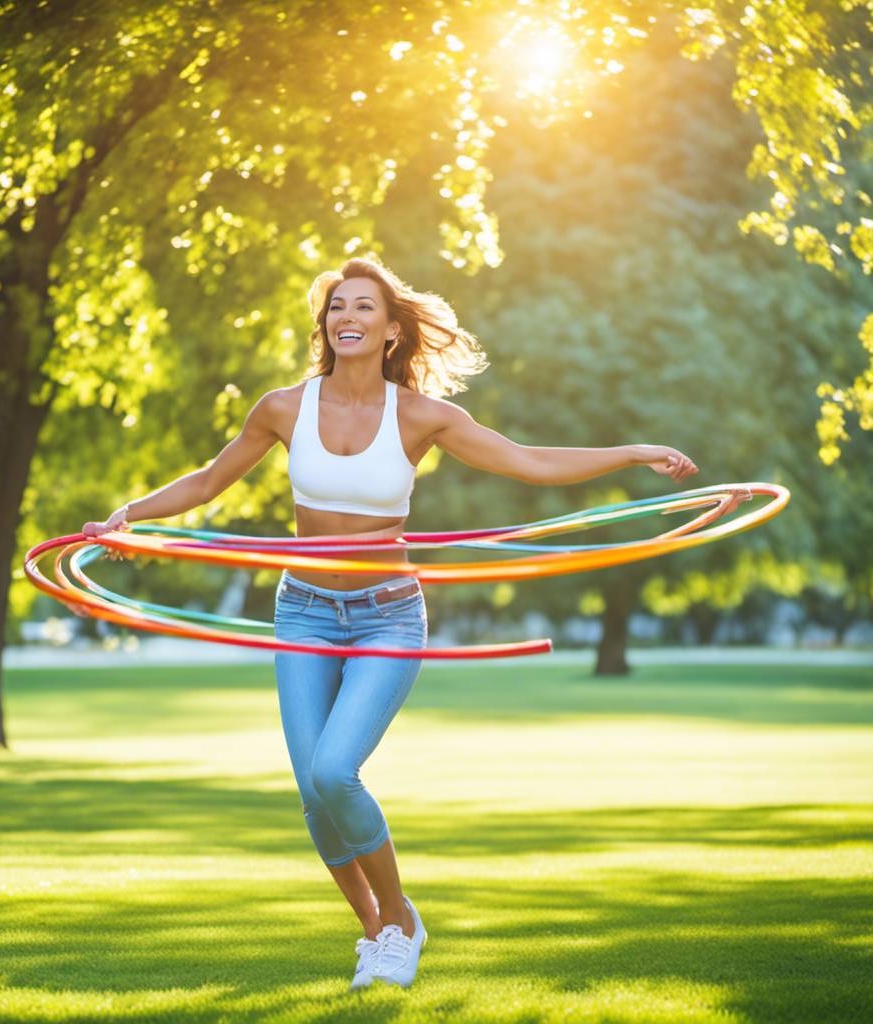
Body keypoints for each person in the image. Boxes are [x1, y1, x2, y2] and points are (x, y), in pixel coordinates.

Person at [82, 255, 698, 990]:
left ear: (392, 330)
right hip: (303, 608)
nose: (347, 317)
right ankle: (375, 932)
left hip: (385, 617)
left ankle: (402, 916)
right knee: (315, 795)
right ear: (325, 324)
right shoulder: (283, 407)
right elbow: (210, 480)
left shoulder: (421, 416)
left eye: (364, 308)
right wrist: (132, 516)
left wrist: (633, 452)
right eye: (337, 307)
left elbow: (529, 462)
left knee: (334, 771)